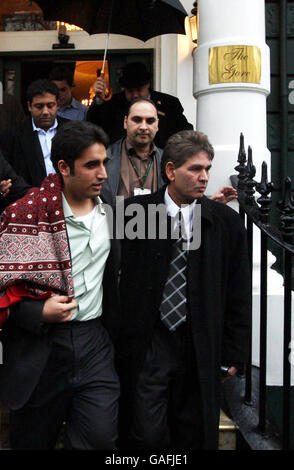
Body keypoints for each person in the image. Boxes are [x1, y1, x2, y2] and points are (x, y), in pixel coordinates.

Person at [117, 130, 250, 450]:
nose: (204, 177)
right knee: (146, 433)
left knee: (192, 432)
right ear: (171, 170)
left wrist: (234, 353)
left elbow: (238, 292)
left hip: (200, 344)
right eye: (195, 169)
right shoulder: (136, 212)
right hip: (150, 342)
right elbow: (116, 278)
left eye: (207, 168)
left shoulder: (225, 223)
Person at [0, 120, 120, 450]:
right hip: (40, 351)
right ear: (64, 167)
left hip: (94, 343)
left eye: (104, 163)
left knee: (99, 438)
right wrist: (37, 311)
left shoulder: (110, 209)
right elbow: (3, 288)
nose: (103, 174)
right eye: (92, 165)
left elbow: (162, 215)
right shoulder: (24, 214)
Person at [106, 96, 237, 203]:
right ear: (125, 122)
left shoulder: (170, 161)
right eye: (137, 120)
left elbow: (182, 199)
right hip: (115, 231)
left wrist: (210, 204)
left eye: (150, 121)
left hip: (160, 231)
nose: (143, 127)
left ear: (157, 125)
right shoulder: (105, 159)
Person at [87, 61, 193, 149]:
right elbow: (93, 124)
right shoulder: (112, 104)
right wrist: (99, 98)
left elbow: (184, 133)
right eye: (130, 91)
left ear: (148, 85)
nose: (135, 95)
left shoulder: (169, 103)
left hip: (160, 164)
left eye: (139, 90)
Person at [0, 79, 68, 187]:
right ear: (29, 106)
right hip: (28, 200)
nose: (45, 112)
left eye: (50, 106)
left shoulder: (72, 130)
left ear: (58, 104)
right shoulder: (12, 137)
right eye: (39, 106)